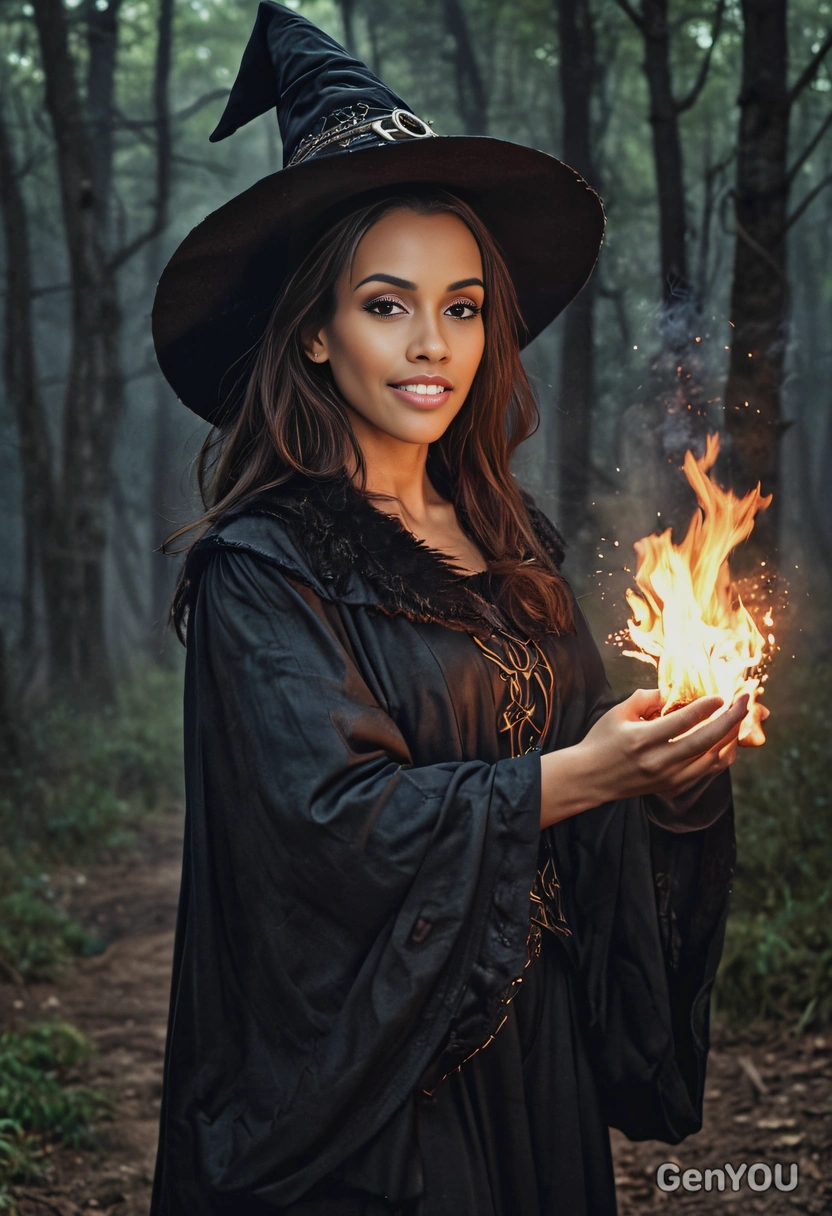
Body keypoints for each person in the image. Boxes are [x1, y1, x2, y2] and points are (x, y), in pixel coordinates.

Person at [149, 5, 746, 1213]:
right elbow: (326, 829)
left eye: (463, 306)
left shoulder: (511, 544)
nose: (433, 345)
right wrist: (585, 774)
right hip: (369, 1095)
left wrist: (675, 773)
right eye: (386, 304)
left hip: (537, 1060)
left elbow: (592, 779)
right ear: (314, 333)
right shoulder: (262, 568)